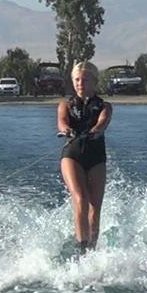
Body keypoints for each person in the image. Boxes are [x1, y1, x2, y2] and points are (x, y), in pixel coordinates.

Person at [56, 61, 113, 254]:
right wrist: (66, 130)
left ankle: (91, 251)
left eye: (85, 80)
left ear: (94, 82)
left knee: (95, 207)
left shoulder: (105, 106)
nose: (81, 83)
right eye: (77, 79)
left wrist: (95, 131)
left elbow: (103, 122)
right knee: (81, 199)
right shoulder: (65, 105)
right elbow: (62, 122)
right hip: (72, 155)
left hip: (96, 156)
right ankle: (81, 249)